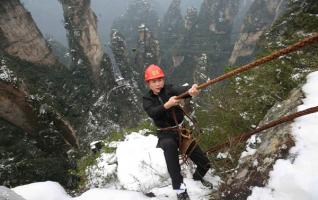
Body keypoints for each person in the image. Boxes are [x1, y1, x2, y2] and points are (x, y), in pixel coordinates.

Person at [142, 64, 212, 200]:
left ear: (163, 80)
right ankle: (180, 191)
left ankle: (196, 181)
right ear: (148, 83)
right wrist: (167, 105)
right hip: (165, 134)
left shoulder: (169, 89)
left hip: (181, 131)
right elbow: (152, 112)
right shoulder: (147, 99)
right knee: (170, 151)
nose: (158, 84)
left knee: (205, 163)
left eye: (160, 80)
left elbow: (181, 90)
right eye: (154, 81)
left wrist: (190, 90)